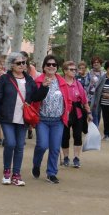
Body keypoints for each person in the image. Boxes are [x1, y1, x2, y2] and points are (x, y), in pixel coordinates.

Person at [0, 52, 50, 186]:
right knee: (10, 143)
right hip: (7, 117)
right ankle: (7, 172)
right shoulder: (4, 79)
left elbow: (35, 97)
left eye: (24, 63)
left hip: (23, 118)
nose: (22, 65)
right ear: (11, 65)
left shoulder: (29, 80)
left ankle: (16, 175)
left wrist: (44, 87)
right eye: (19, 63)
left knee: (19, 146)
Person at [30, 55, 71, 184]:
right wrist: (43, 86)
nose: (51, 67)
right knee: (42, 145)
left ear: (57, 67)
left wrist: (66, 114)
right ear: (44, 67)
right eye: (48, 64)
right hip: (42, 120)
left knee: (54, 148)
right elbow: (34, 99)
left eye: (54, 65)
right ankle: (36, 164)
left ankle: (51, 173)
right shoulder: (38, 81)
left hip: (57, 121)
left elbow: (67, 100)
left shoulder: (62, 82)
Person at [61, 61, 92, 168]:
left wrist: (88, 112)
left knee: (77, 135)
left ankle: (76, 158)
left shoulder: (77, 84)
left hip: (78, 113)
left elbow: (84, 100)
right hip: (64, 113)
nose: (74, 71)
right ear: (65, 71)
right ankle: (65, 158)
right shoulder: (60, 83)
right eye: (71, 69)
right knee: (65, 136)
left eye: (75, 69)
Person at [20, 51, 40, 140]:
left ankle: (30, 129)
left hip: (28, 93)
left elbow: (33, 80)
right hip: (19, 92)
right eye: (21, 56)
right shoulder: (17, 65)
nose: (23, 58)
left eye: (25, 57)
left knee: (28, 112)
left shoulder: (31, 68)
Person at [86, 56, 105, 126]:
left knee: (98, 112)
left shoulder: (104, 74)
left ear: (100, 64)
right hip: (91, 96)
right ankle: (95, 127)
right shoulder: (89, 73)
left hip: (101, 96)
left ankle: (95, 126)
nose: (96, 64)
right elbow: (86, 84)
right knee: (93, 112)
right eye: (94, 62)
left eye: (97, 62)